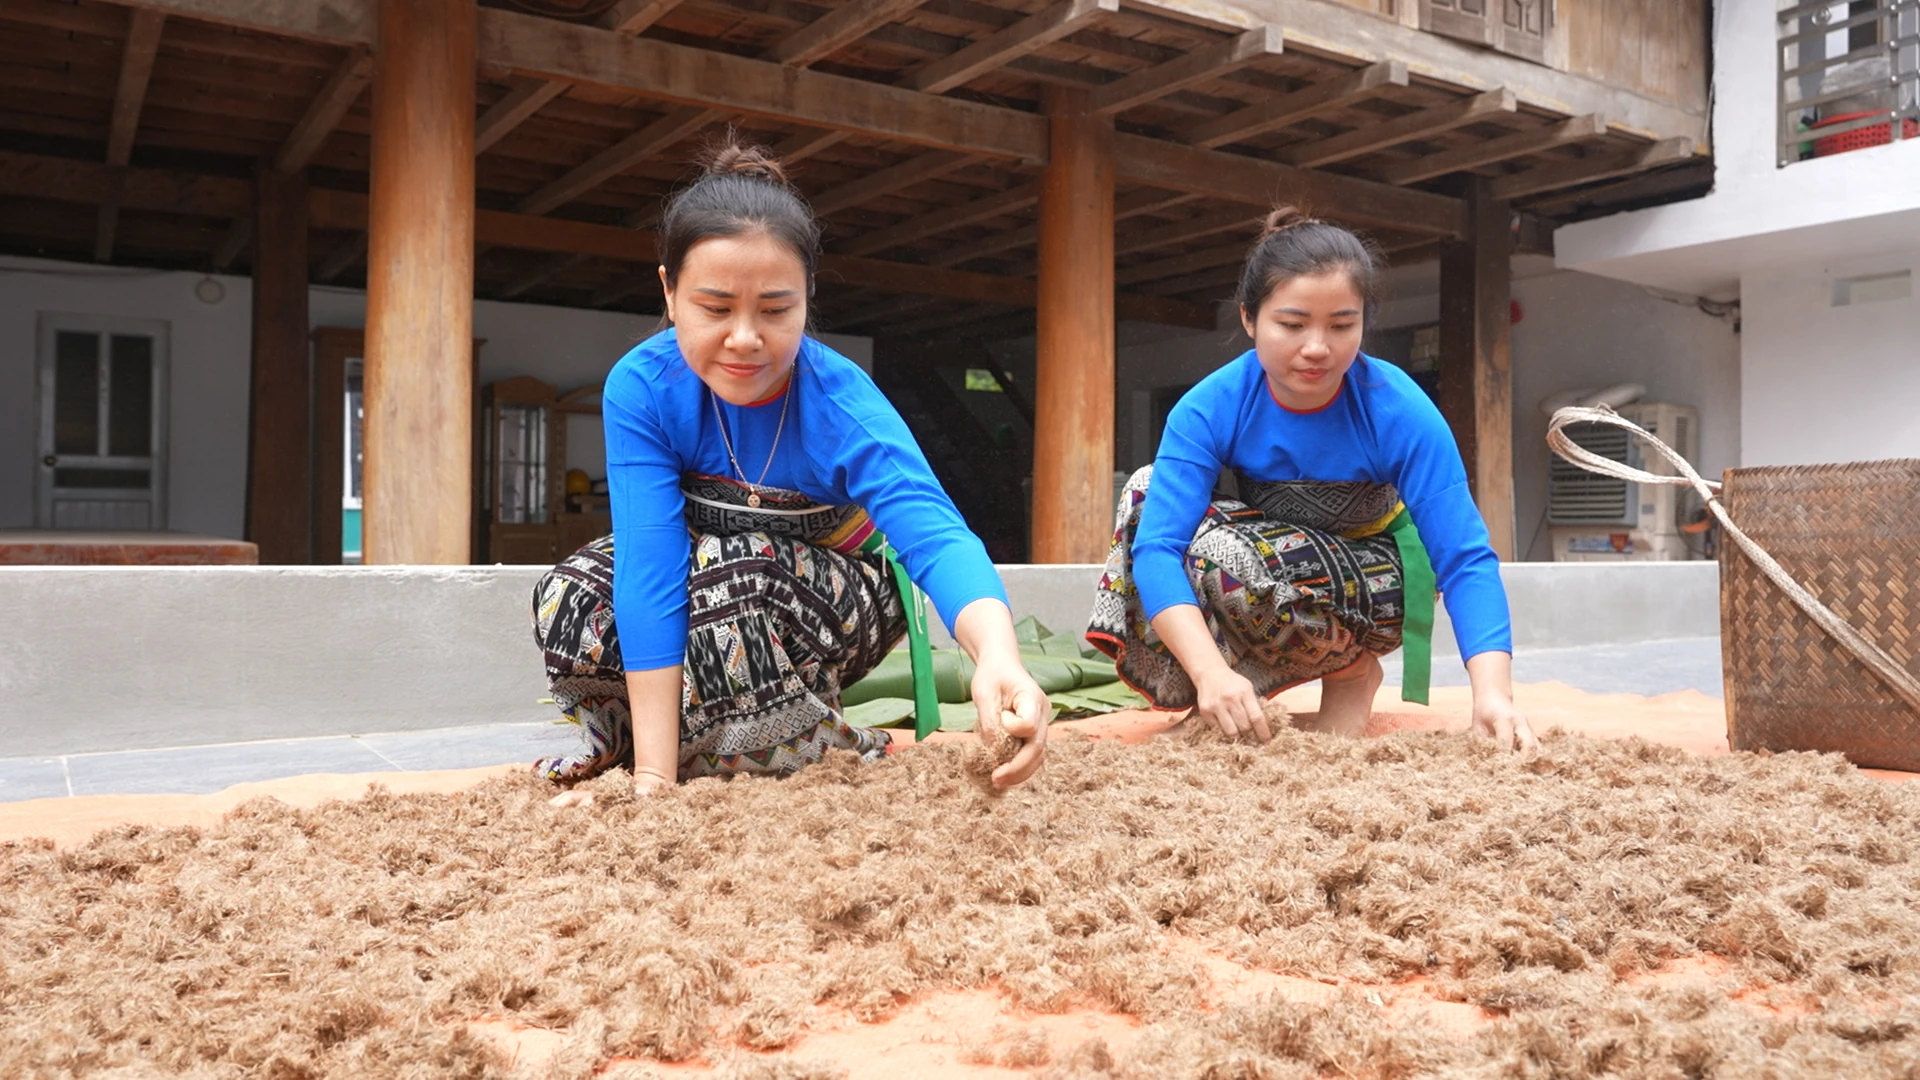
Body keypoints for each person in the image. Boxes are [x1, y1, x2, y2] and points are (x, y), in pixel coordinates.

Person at [532, 140, 1049, 796]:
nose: (745, 338)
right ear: (669, 291)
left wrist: (999, 657)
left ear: (807, 297)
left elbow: (938, 539)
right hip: (712, 583)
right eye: (715, 308)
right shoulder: (643, 388)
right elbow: (650, 568)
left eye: (776, 310)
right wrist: (654, 784)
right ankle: (659, 751)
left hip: (844, 601)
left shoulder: (842, 402)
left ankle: (820, 752)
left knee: (734, 572)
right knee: (573, 593)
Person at [1086, 208, 1537, 751]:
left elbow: (1464, 558)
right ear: (1250, 318)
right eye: (1293, 324)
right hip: (1269, 557)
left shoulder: (1397, 408)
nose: (1318, 347)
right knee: (1145, 493)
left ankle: (1351, 670)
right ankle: (1226, 695)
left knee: (1232, 559)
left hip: (1375, 583)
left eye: (1341, 325)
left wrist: (1493, 695)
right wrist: (1210, 674)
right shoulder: (1211, 405)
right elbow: (1158, 547)